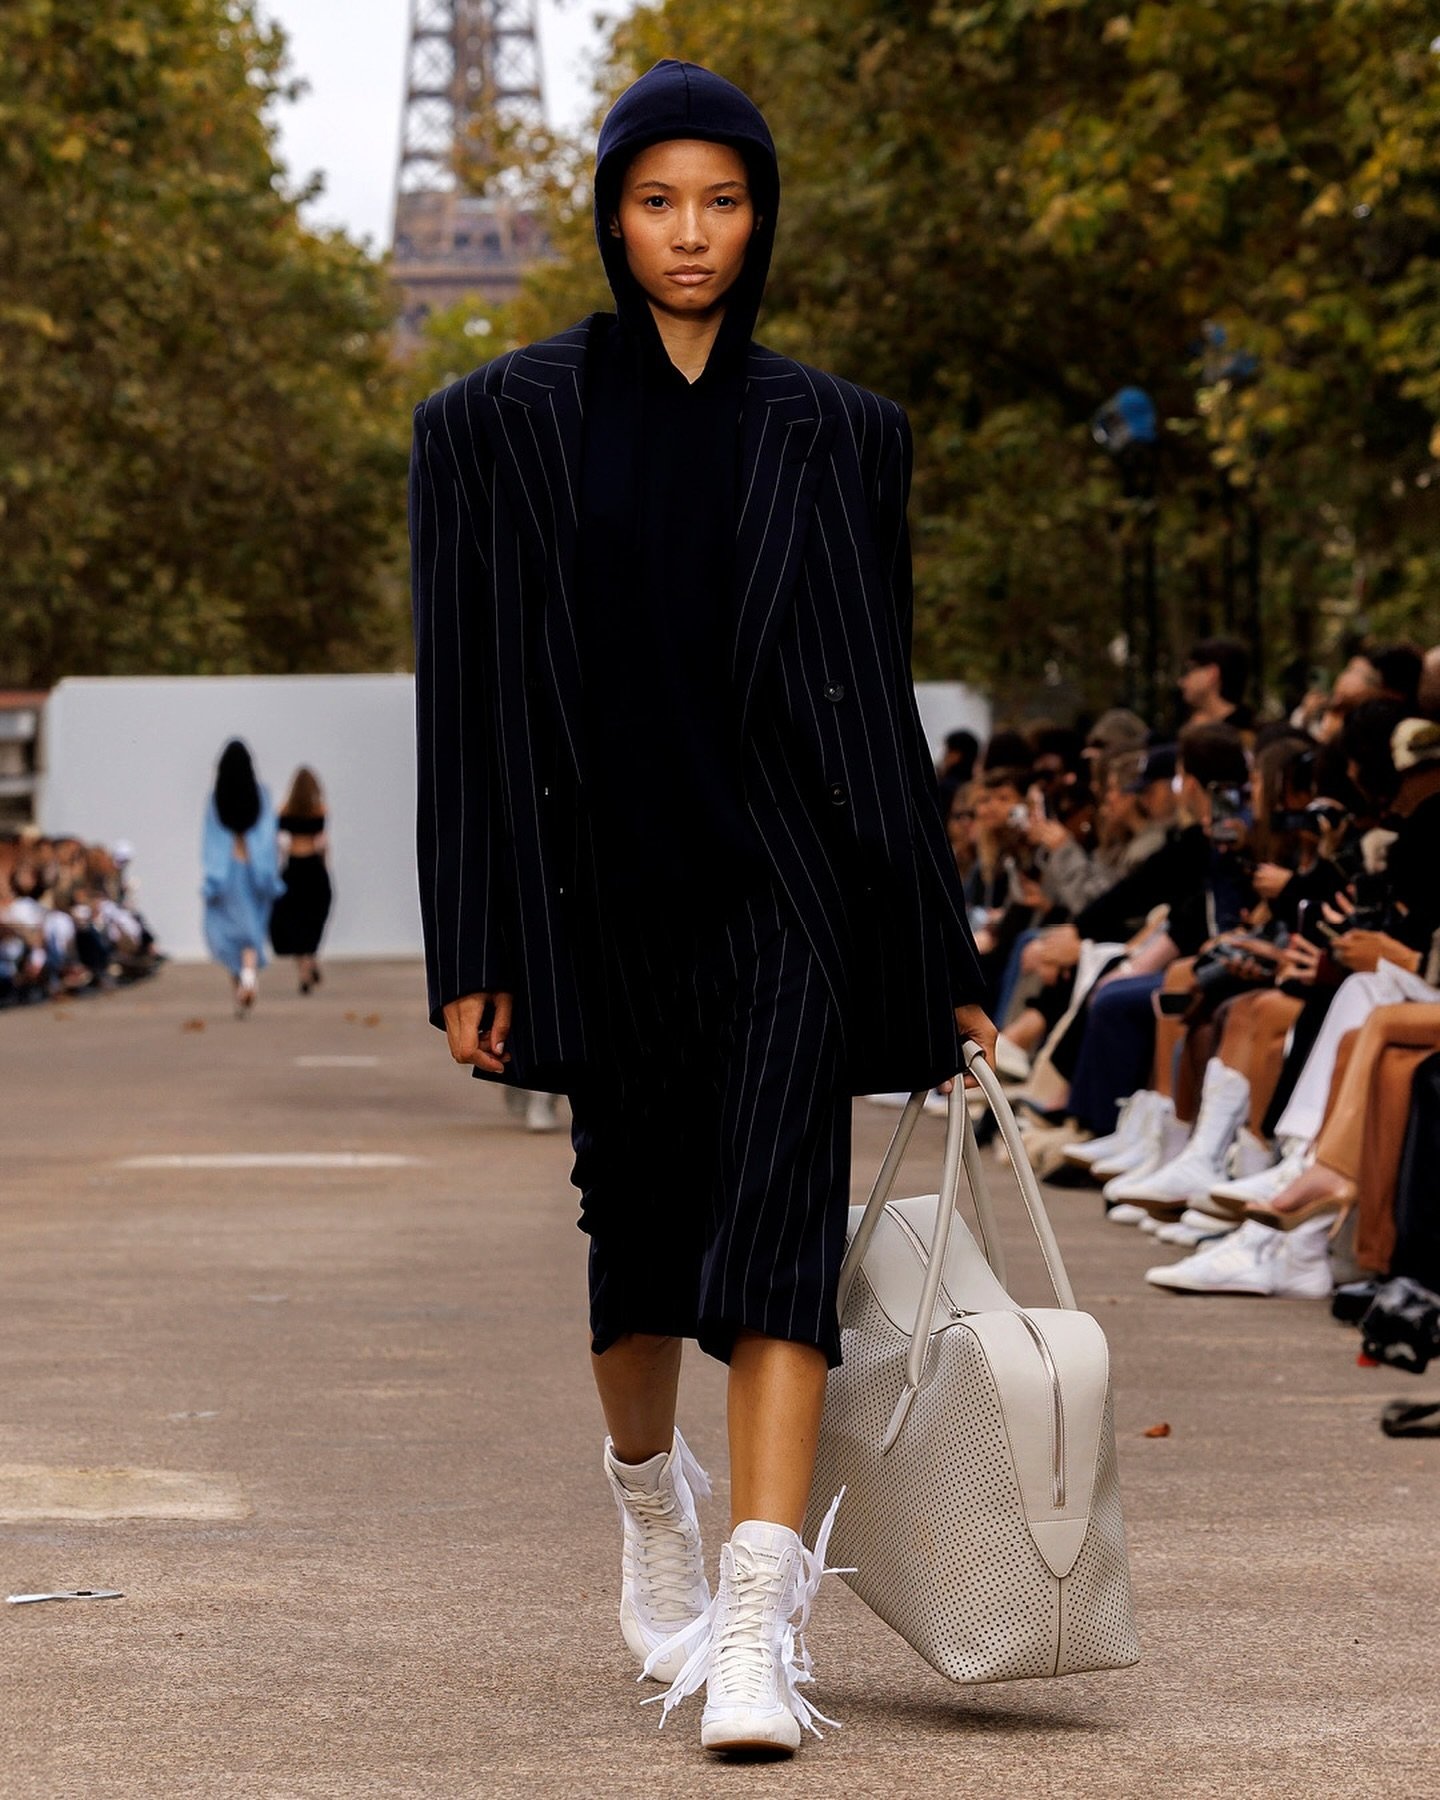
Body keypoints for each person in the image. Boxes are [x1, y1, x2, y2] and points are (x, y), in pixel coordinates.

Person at [409, 59, 994, 1759]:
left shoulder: (841, 433)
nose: (691, 233)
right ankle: (644, 1500)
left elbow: (869, 709)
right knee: (639, 1249)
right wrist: (476, 949)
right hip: (602, 900)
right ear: (608, 215)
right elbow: (474, 710)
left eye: (723, 201)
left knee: (778, 1250)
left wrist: (941, 956)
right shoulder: (493, 427)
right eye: (659, 200)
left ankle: (754, 1625)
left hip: (790, 895)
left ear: (763, 218)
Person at [202, 739, 283, 1015]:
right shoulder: (262, 795)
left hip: (226, 873)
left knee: (227, 933)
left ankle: (240, 983)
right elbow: (266, 836)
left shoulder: (216, 799)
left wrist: (212, 878)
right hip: (253, 872)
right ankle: (249, 977)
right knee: (251, 934)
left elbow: (210, 840)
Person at [270, 765, 333, 994]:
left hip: (293, 869)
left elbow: (279, 844)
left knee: (294, 923)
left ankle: (304, 972)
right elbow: (323, 843)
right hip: (314, 868)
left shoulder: (284, 812)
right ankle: (311, 960)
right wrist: (326, 868)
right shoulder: (320, 811)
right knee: (313, 920)